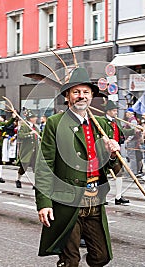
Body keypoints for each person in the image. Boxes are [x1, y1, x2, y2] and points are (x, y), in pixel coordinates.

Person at [35, 66, 121, 266]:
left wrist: (112, 153)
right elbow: (44, 165)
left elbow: (112, 168)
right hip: (67, 200)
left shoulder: (100, 124)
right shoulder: (55, 123)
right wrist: (44, 203)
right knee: (70, 259)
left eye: (85, 92)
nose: (81, 96)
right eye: (76, 92)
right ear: (67, 95)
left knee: (101, 256)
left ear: (91, 96)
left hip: (95, 200)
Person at [103, 100, 134, 204]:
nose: (116, 112)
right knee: (102, 175)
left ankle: (118, 197)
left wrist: (134, 131)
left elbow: (123, 132)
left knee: (119, 173)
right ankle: (102, 197)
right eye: (114, 111)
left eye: (116, 110)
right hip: (105, 152)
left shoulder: (117, 121)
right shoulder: (102, 121)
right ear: (108, 111)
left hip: (116, 152)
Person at [16, 110, 40, 188]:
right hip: (27, 151)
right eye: (34, 117)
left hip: (35, 151)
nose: (36, 118)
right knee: (24, 167)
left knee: (36, 168)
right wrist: (30, 133)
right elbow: (20, 136)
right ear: (30, 118)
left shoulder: (36, 127)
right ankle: (18, 179)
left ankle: (35, 184)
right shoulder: (24, 126)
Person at [124, 108, 142, 177]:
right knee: (132, 156)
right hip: (132, 140)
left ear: (131, 113)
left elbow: (133, 131)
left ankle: (133, 172)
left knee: (132, 156)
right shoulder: (130, 120)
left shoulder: (133, 120)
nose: (126, 114)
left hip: (132, 141)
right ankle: (134, 171)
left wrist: (129, 139)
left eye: (127, 113)